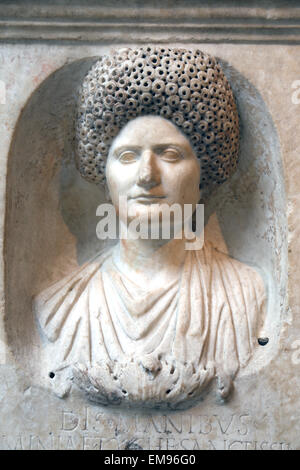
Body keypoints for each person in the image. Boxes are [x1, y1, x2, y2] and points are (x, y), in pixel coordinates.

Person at [34, 47, 266, 408]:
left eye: (169, 154)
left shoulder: (245, 295)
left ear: (204, 172)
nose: (147, 175)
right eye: (127, 156)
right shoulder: (62, 307)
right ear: (104, 174)